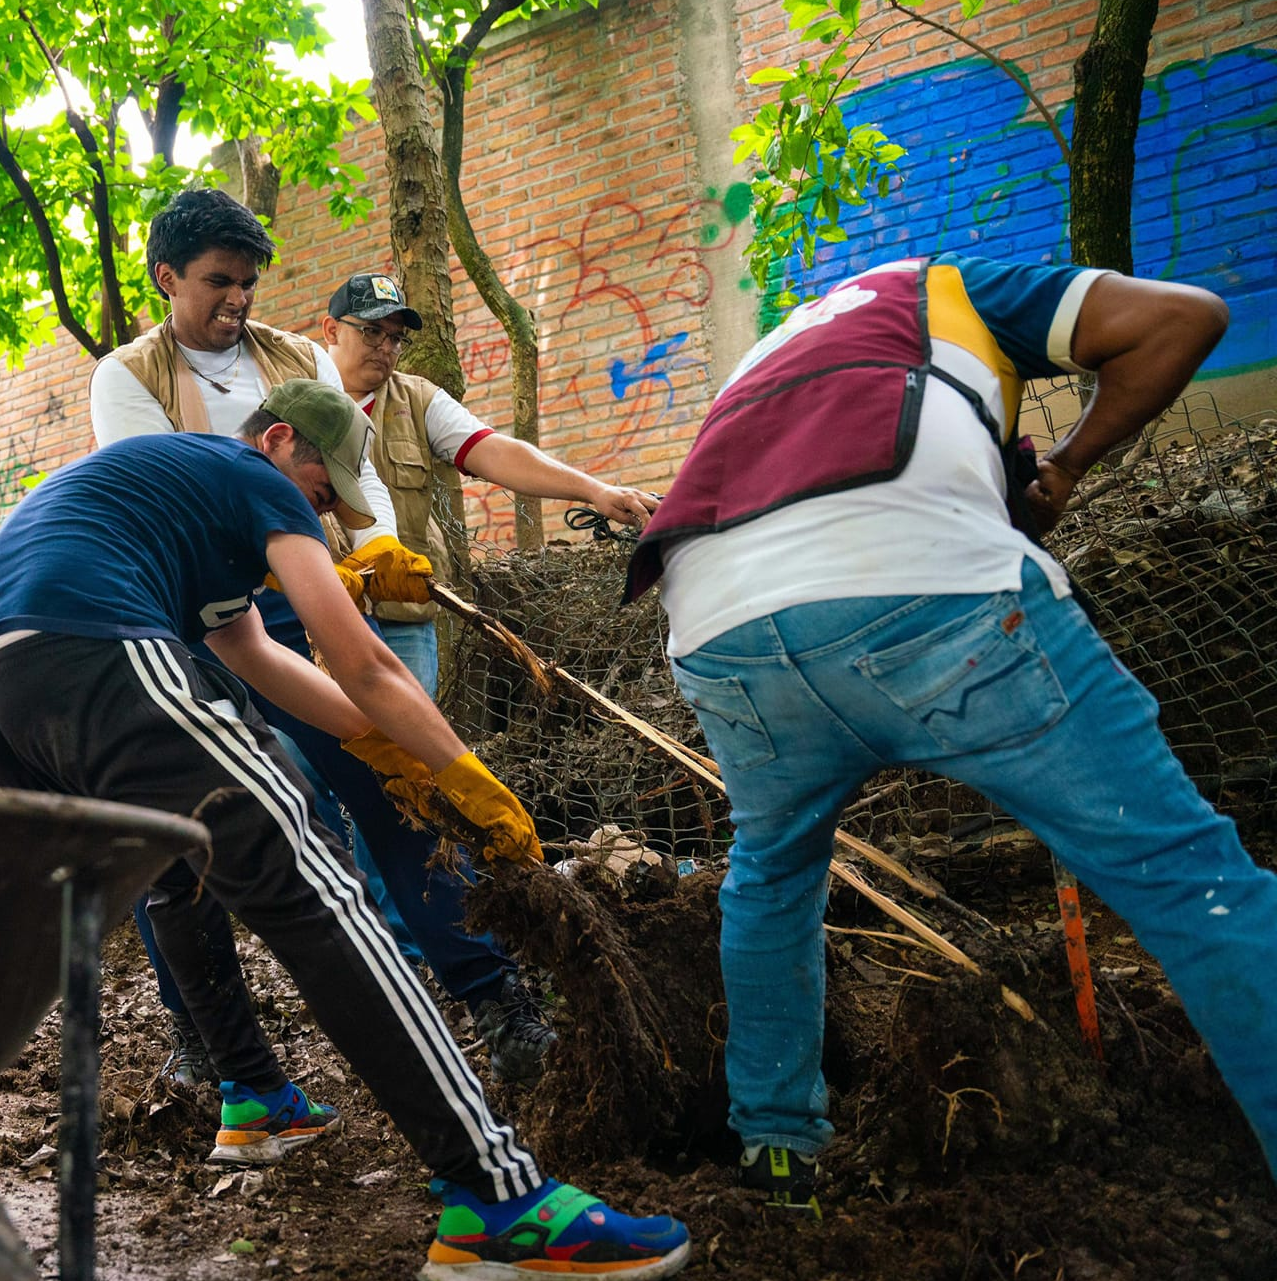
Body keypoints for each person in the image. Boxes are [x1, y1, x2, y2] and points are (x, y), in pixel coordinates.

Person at [0, 378, 692, 1281]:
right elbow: (363, 658)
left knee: (175, 872)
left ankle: (255, 1096)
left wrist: (384, 748)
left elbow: (263, 658)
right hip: (93, 647)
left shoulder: (184, 514)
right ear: (281, 442)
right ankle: (497, 1200)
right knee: (315, 880)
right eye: (322, 489)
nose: (325, 510)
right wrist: (467, 775)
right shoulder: (242, 469)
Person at [625, 254, 1277, 1209]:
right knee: (1185, 872)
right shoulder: (957, 288)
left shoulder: (767, 352)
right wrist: (1061, 466)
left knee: (770, 876)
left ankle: (777, 1156)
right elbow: (1185, 317)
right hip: (929, 583)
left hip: (721, 626)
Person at [91, 189, 556, 1090]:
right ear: (166, 279)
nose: (237, 300)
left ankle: (493, 993)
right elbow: (174, 500)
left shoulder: (296, 355)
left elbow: (353, 466)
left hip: (300, 607)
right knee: (183, 830)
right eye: (218, 283)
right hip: (189, 629)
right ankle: (205, 1038)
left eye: (249, 284)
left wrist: (376, 541)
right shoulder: (127, 377)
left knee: (386, 784)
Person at [320, 271, 660, 696]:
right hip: (312, 608)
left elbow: (497, 451)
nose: (386, 348)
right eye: (372, 331)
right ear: (331, 330)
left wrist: (596, 492)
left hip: (399, 618)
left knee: (405, 751)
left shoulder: (418, 399)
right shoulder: (290, 393)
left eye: (396, 338)